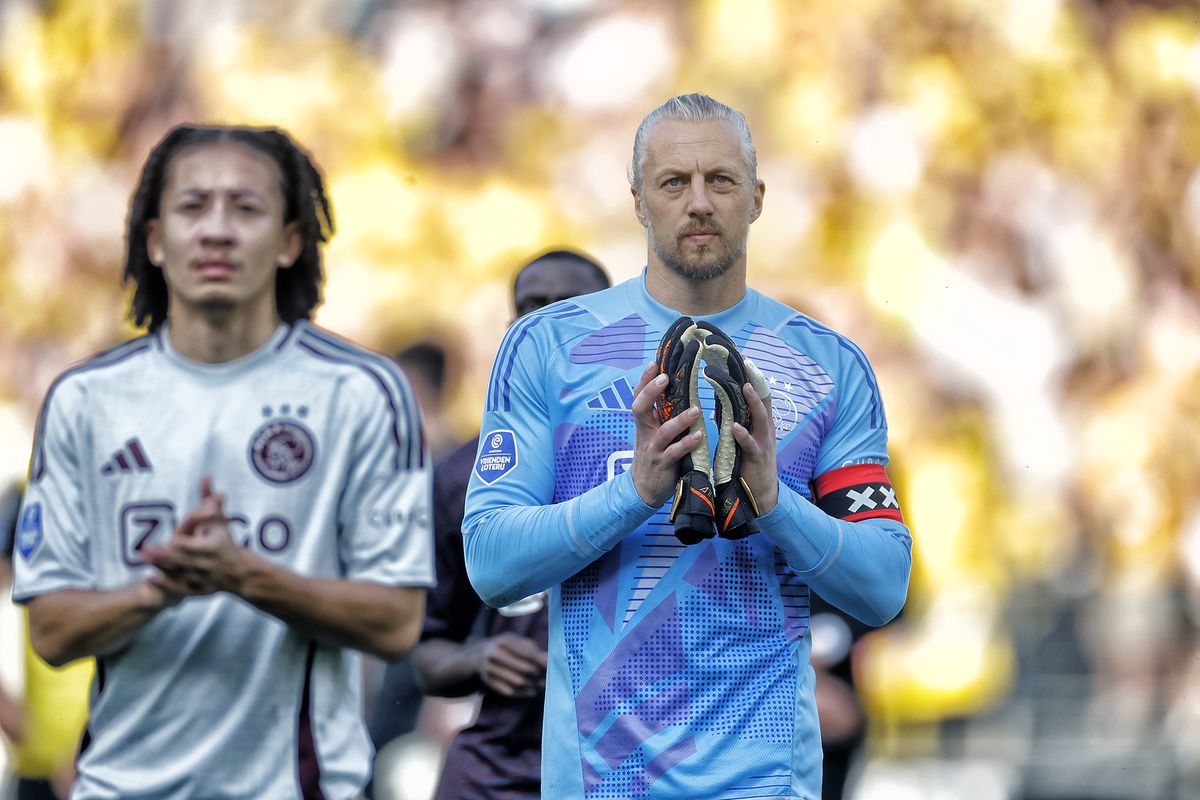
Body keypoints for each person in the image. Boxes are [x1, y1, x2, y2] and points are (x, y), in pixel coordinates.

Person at [462, 93, 912, 799]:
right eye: (674, 182)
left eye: (721, 180)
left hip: (764, 784)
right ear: (639, 200)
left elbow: (884, 586)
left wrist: (773, 502)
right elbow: (491, 563)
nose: (698, 202)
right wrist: (636, 491)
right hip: (601, 784)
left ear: (757, 197)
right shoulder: (550, 346)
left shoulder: (827, 365)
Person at [11, 124, 434, 800]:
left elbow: (395, 622)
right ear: (153, 239)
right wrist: (162, 587)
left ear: (292, 240)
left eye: (245, 207)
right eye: (192, 206)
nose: (216, 230)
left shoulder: (361, 394)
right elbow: (52, 632)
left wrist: (245, 575)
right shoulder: (86, 400)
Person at [407, 249, 611, 800]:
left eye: (568, 308)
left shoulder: (666, 457)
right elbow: (428, 656)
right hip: (501, 770)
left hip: (636, 766)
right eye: (529, 309)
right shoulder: (466, 473)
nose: (545, 323)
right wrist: (480, 658)